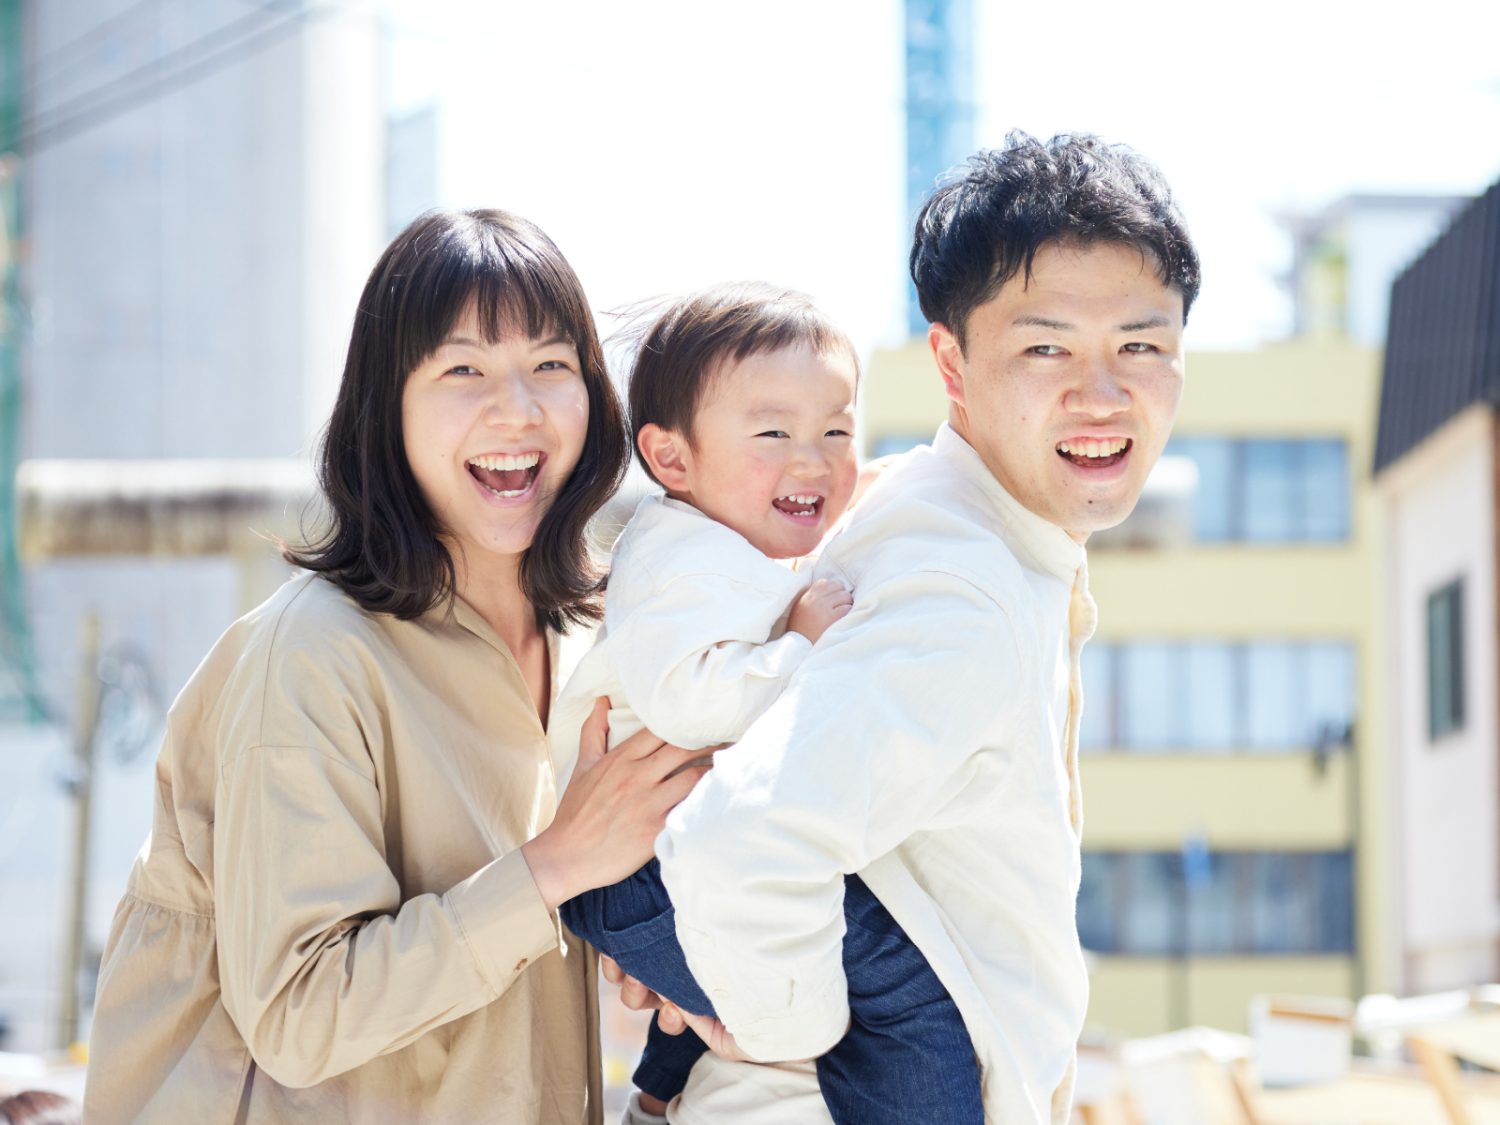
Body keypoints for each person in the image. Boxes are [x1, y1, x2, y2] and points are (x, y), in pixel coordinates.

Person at [82, 209, 709, 1124]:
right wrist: (555, 865)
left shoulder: (600, 640)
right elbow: (298, 1013)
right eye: (464, 369)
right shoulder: (311, 654)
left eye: (551, 366)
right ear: (389, 405)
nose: (518, 408)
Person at [643, 131, 1202, 1124]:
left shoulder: (916, 508)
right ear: (952, 362)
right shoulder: (961, 593)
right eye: (1046, 347)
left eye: (1141, 346)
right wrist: (782, 1030)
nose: (1102, 393)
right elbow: (742, 841)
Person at [550, 282, 983, 1125]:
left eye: (836, 430)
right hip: (642, 869)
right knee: (903, 990)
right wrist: (804, 648)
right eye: (773, 432)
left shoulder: (720, 541)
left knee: (782, 935)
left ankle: (655, 1093)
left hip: (651, 865)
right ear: (672, 459)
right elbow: (689, 701)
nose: (813, 459)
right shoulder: (685, 561)